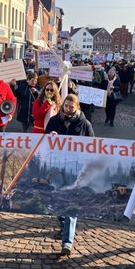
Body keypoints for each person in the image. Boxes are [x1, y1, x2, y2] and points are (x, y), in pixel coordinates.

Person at [45, 94, 94, 256]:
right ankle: (64, 224)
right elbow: (44, 143)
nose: (68, 109)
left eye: (71, 107)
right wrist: (50, 137)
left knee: (71, 204)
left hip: (75, 169)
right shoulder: (54, 121)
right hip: (57, 168)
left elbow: (93, 145)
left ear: (77, 108)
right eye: (66, 106)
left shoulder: (84, 124)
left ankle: (67, 242)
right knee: (57, 201)